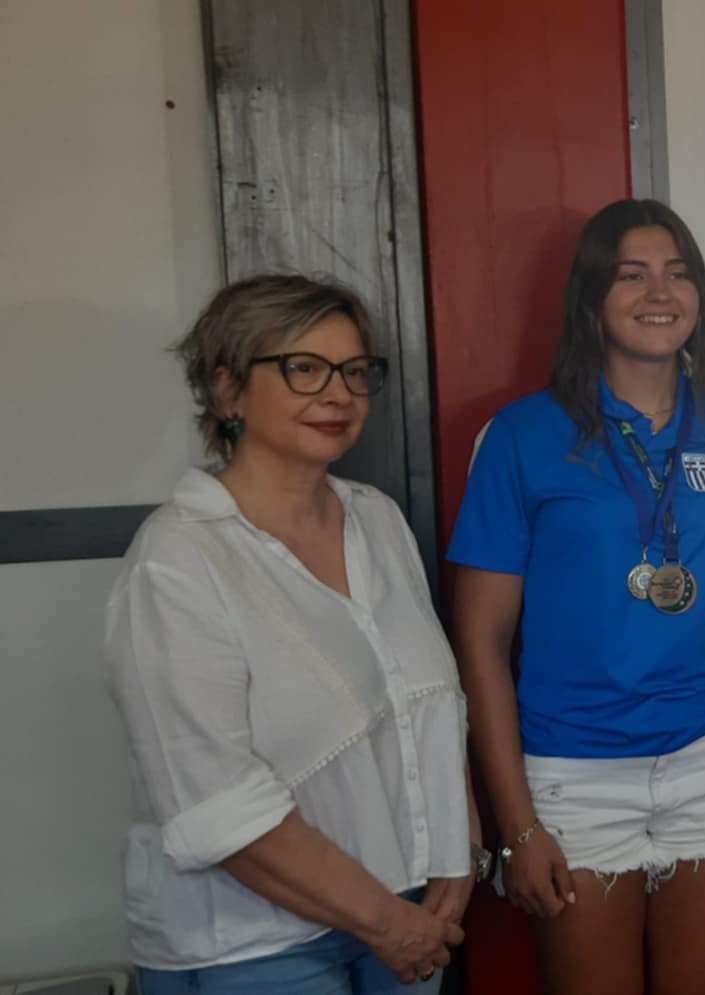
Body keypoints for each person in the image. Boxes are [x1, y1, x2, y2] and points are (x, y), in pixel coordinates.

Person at [447, 199, 705, 995]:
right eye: (632, 274)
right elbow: (480, 643)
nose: (660, 292)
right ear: (592, 297)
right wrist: (516, 822)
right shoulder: (522, 436)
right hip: (573, 772)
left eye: (677, 273)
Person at [107, 274, 478, 993]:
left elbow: (431, 704)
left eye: (354, 371)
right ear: (228, 392)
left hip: (407, 907)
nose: (338, 394)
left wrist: (461, 854)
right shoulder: (177, 559)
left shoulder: (376, 519)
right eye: (303, 368)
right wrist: (386, 922)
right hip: (251, 946)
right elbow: (215, 806)